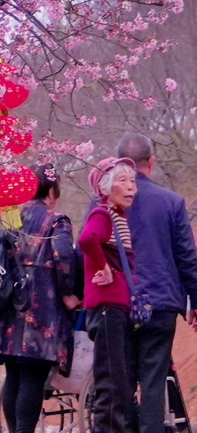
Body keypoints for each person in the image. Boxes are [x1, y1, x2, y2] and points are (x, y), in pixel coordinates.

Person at [0, 164, 80, 433]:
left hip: (9, 303)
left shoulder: (10, 214)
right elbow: (64, 258)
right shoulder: (57, 219)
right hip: (41, 306)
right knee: (33, 375)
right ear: (51, 190)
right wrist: (69, 294)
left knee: (13, 373)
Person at [115, 134, 197, 433]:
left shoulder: (104, 202)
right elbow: (187, 258)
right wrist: (195, 301)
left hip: (119, 304)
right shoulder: (172, 202)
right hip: (160, 304)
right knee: (152, 381)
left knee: (121, 382)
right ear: (151, 162)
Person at [80, 157, 139, 433]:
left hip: (118, 308)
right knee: (112, 382)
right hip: (107, 307)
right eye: (122, 180)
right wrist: (103, 266)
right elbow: (85, 239)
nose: (130, 187)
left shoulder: (119, 217)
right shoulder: (102, 214)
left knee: (122, 382)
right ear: (104, 188)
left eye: (132, 181)